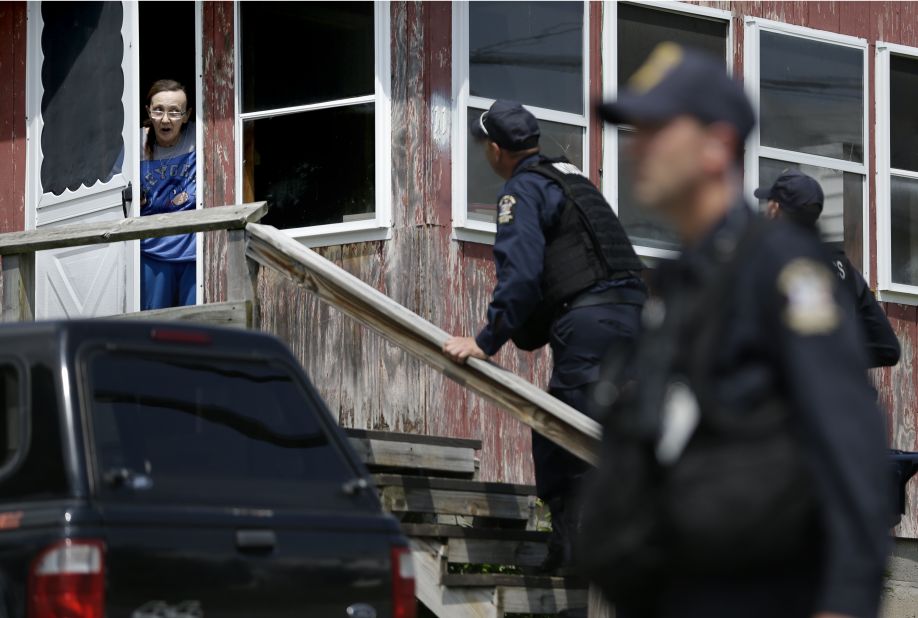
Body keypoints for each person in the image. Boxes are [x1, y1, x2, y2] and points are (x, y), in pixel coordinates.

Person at [580, 43, 890, 618]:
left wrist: (845, 603)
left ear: (717, 144)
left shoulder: (781, 273)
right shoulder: (685, 285)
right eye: (632, 131)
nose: (635, 148)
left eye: (654, 129)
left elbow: (853, 449)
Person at [441, 100, 646, 572]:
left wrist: (485, 340)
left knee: (561, 432)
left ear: (495, 149)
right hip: (633, 318)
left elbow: (523, 275)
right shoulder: (572, 180)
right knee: (619, 431)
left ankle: (576, 554)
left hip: (591, 324)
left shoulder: (523, 190)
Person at [755, 169, 900, 367]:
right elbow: (887, 349)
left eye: (768, 203)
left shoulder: (767, 260)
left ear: (775, 208)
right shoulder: (841, 265)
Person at [139, 79, 197, 310]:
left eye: (174, 112)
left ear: (186, 115)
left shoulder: (200, 137)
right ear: (148, 112)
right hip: (151, 252)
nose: (165, 119)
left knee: (195, 324)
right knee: (153, 327)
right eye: (158, 110)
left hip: (193, 251)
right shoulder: (135, 143)